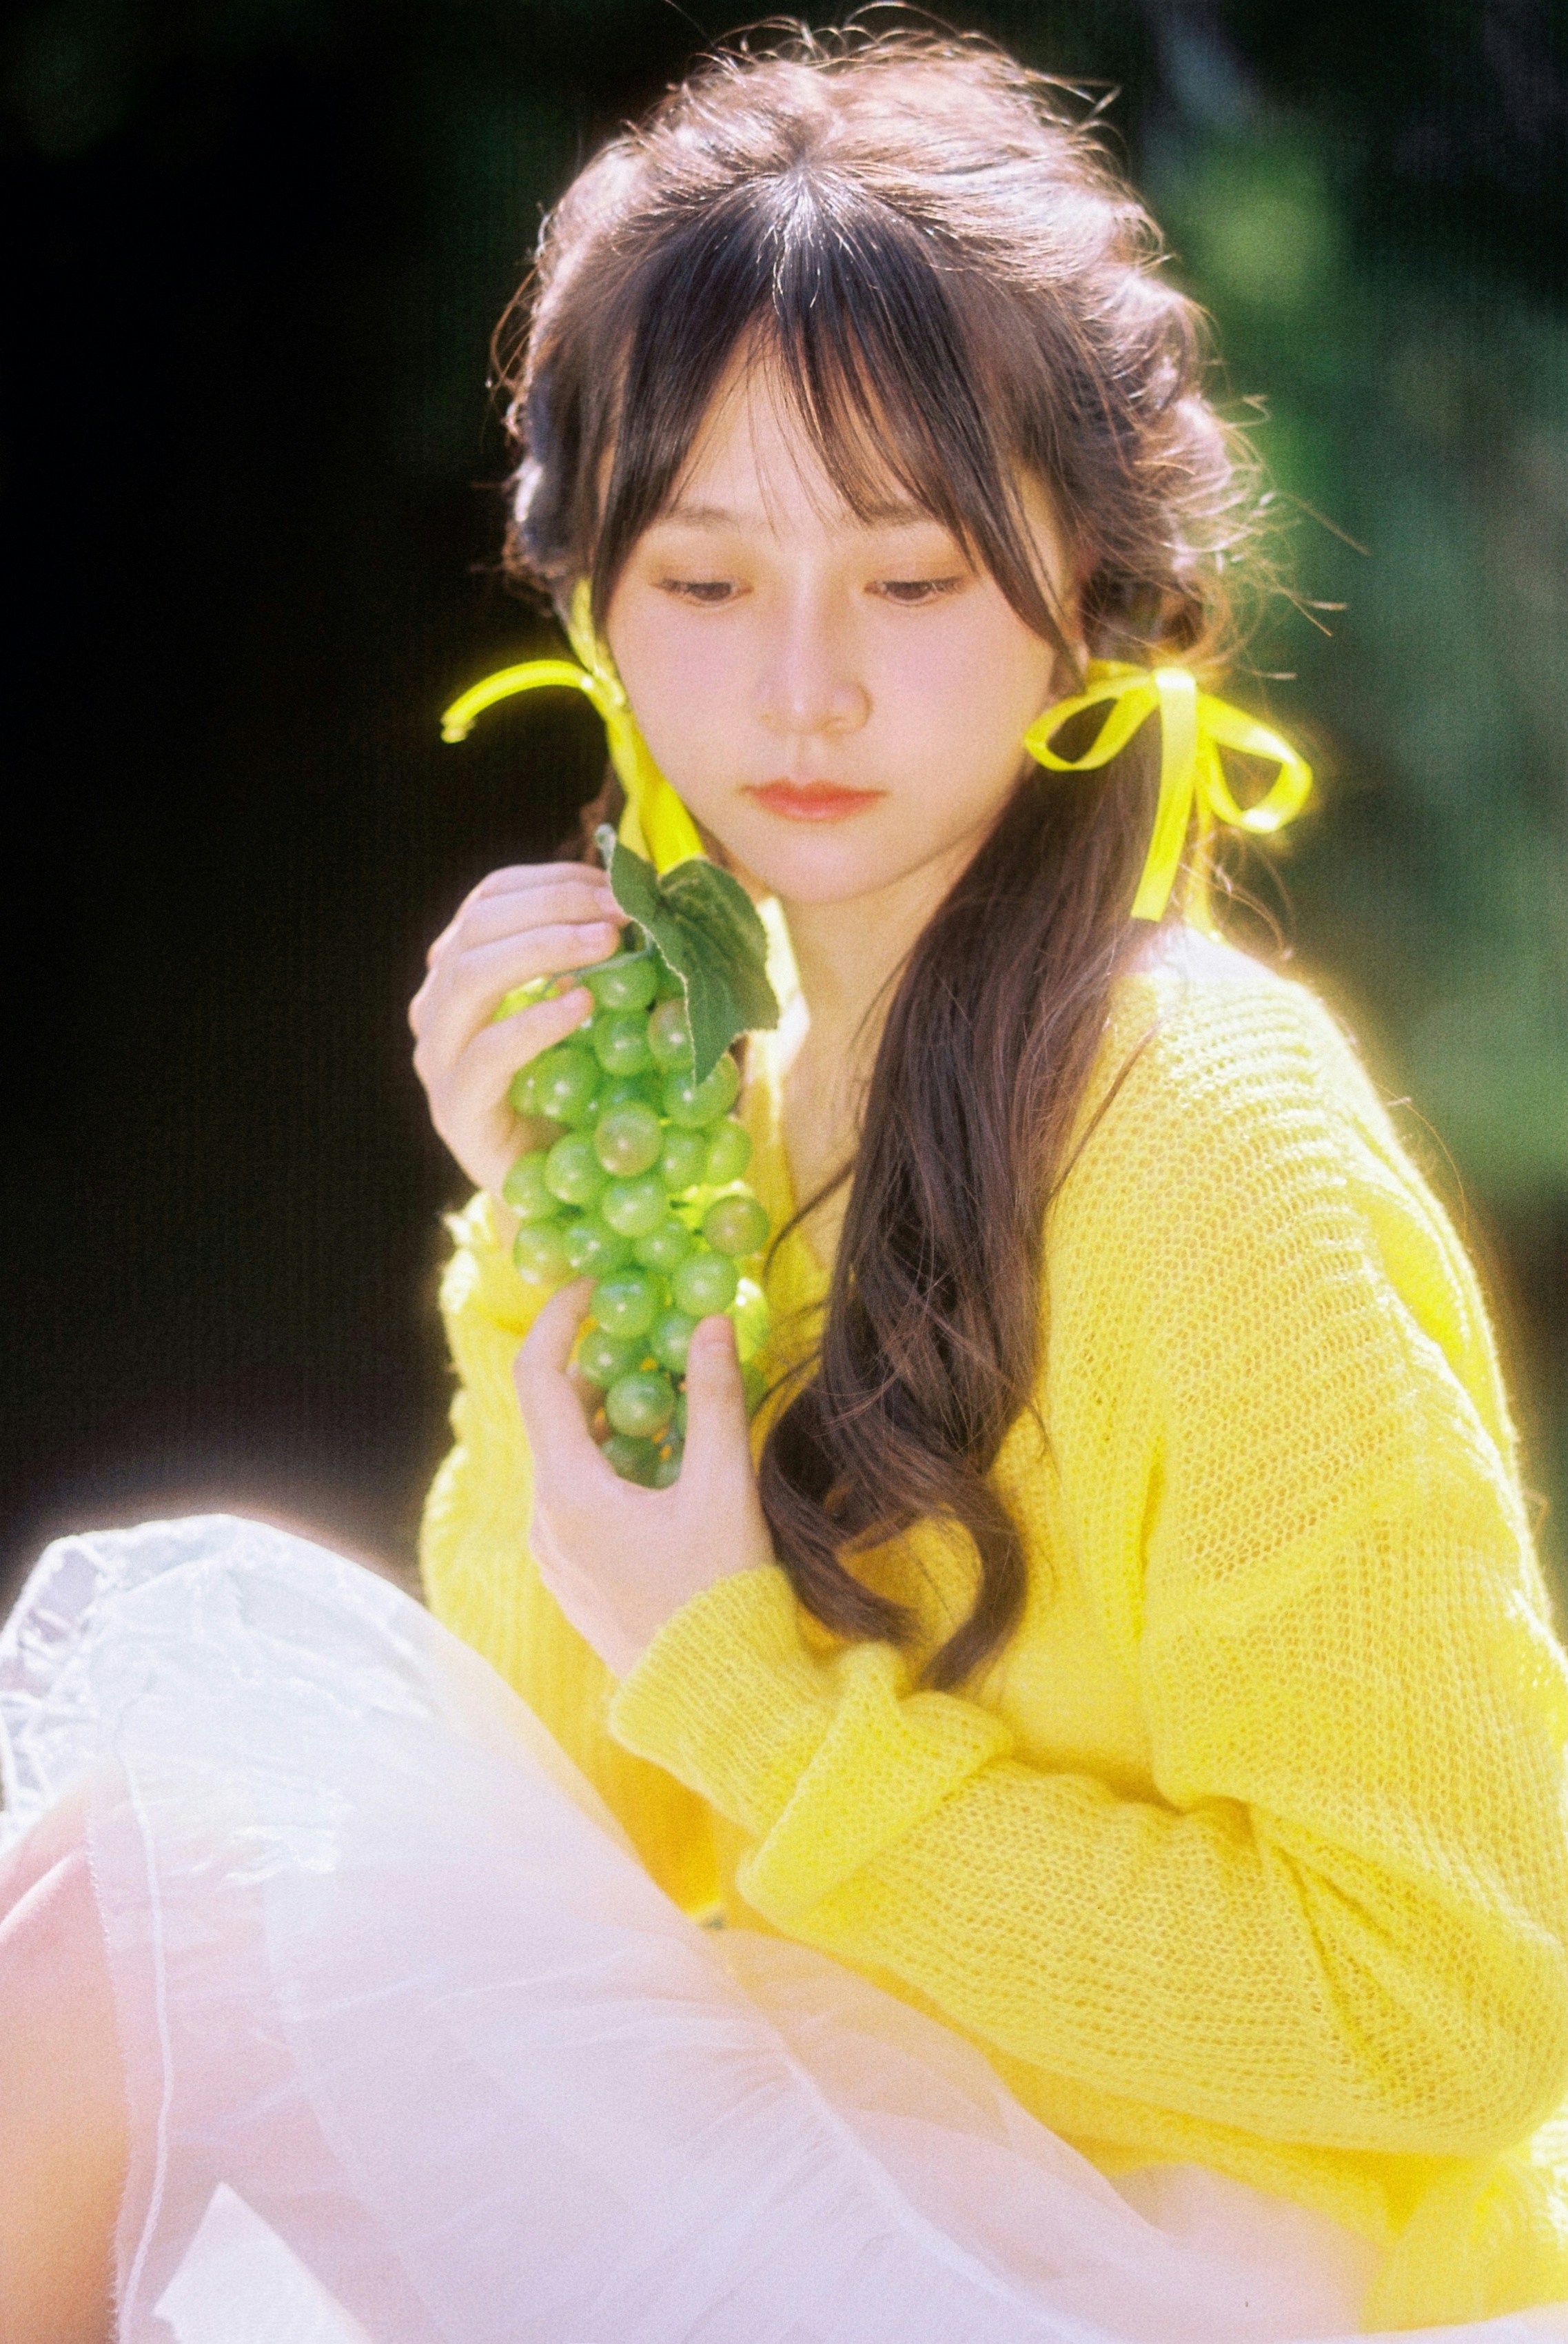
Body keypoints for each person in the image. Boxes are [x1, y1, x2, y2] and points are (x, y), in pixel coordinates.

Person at [3, 26, 1567, 2342]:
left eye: (912, 582)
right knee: (134, 1874)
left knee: (143, 1849)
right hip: (863, 2164)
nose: (800, 692)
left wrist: (743, 1684)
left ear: (1089, 599)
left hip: (1206, 2256)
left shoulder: (1205, 1132)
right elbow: (551, 1839)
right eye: (707, 582)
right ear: (586, 600)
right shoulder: (727, 1084)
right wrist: (556, 1236)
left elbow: (1462, 1990)